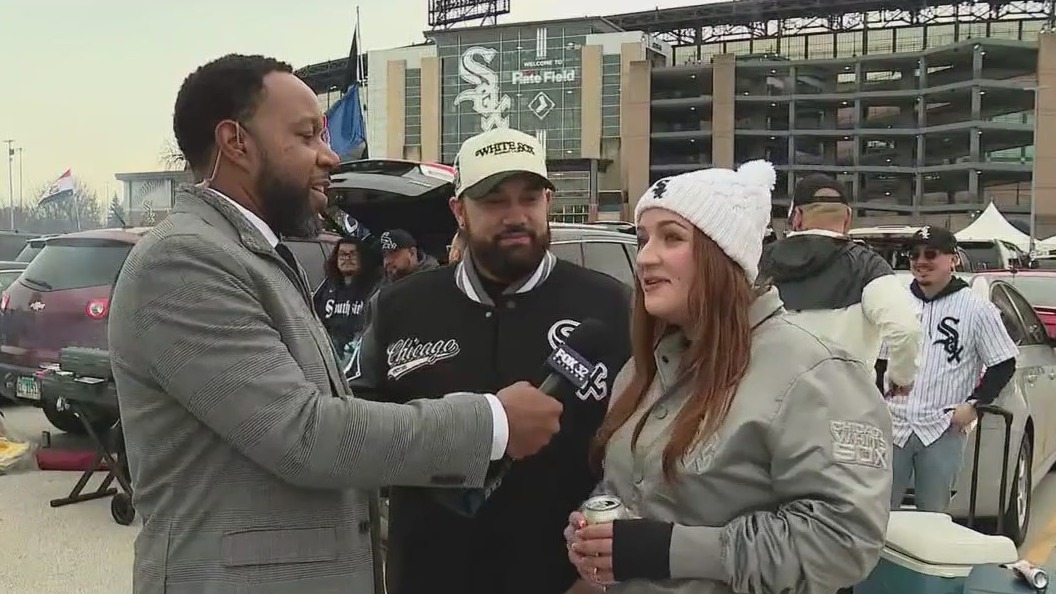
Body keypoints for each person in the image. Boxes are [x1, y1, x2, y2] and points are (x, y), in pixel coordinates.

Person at [108, 54, 564, 594]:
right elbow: (303, 435)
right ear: (236, 142)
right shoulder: (185, 260)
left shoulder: (251, 254)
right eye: (307, 136)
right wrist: (493, 424)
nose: (330, 156)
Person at [565, 162, 892, 594]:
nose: (644, 257)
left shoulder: (814, 374)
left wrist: (672, 550)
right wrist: (597, 526)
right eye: (643, 239)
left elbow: (843, 542)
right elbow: (628, 485)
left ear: (724, 255)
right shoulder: (643, 369)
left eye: (672, 237)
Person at [350, 127, 633, 594]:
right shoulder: (399, 306)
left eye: (530, 199)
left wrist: (600, 570)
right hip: (428, 576)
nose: (516, 216)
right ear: (459, 211)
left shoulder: (610, 305)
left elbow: (644, 454)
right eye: (494, 201)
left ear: (548, 201)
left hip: (563, 581)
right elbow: (355, 429)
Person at [888, 226, 1017, 512]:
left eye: (931, 254)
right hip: (892, 425)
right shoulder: (896, 304)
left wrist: (974, 404)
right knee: (878, 516)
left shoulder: (977, 308)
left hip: (942, 426)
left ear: (953, 259)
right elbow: (878, 360)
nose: (921, 261)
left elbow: (1003, 362)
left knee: (933, 516)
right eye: (914, 255)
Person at [761, 173, 921, 395]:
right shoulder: (867, 266)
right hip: (844, 402)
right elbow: (905, 330)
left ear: (796, 216)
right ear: (847, 218)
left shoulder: (759, 262)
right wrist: (900, 377)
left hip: (770, 401)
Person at [313, 237, 378, 353]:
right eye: (342, 254)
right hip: (330, 351)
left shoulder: (373, 287)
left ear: (363, 258)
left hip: (359, 352)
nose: (347, 259)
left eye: (353, 254)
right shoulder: (327, 286)